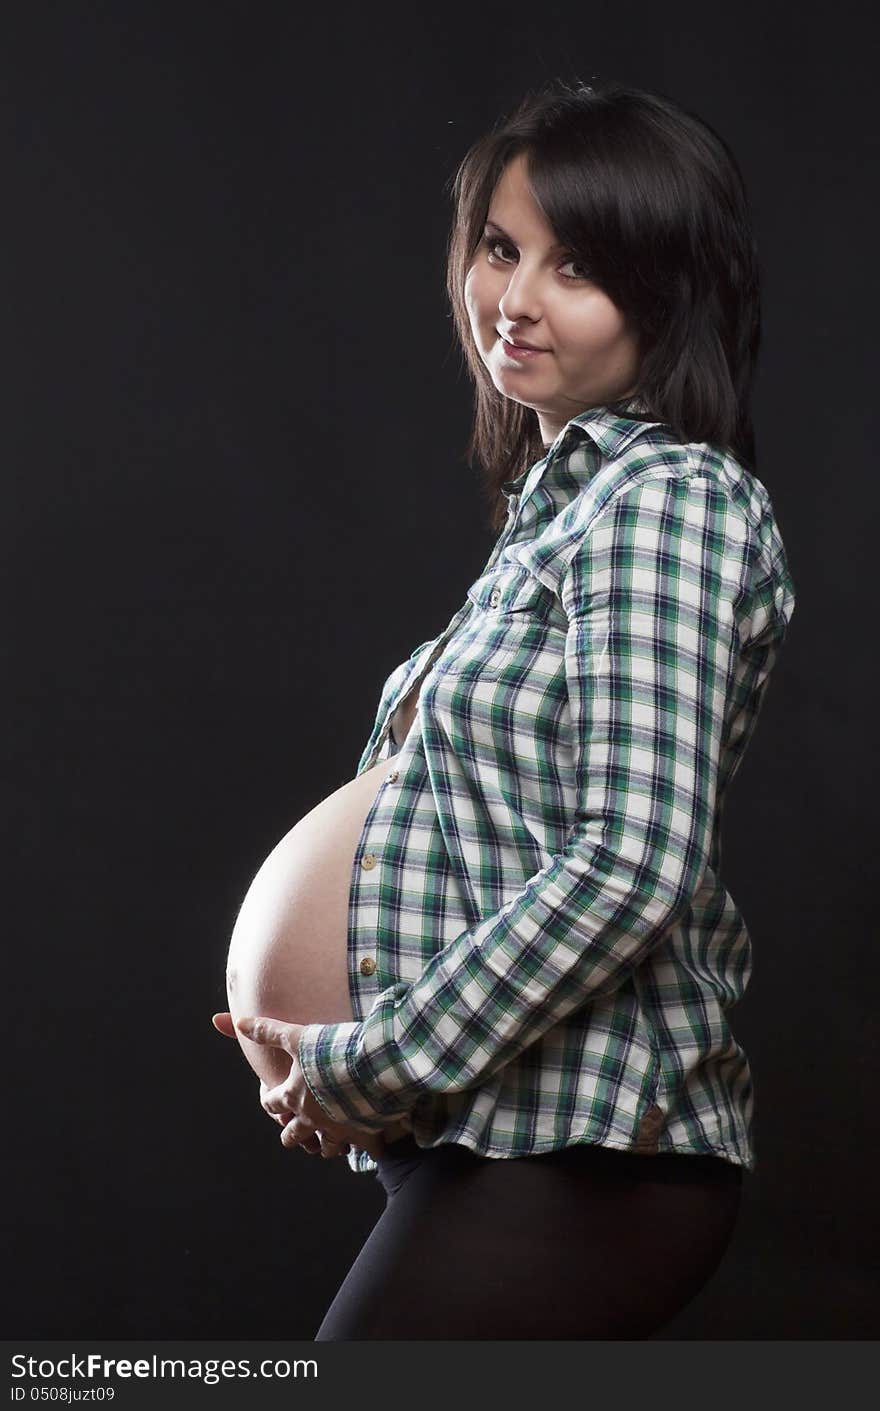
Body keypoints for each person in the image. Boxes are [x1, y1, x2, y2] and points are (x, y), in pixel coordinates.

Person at [213, 77, 796, 1339]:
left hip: (597, 1153)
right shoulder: (565, 509)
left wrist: (379, 1059)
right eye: (499, 247)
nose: (514, 299)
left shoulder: (667, 500)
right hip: (498, 1133)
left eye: (575, 265)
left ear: (669, 293)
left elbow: (635, 863)